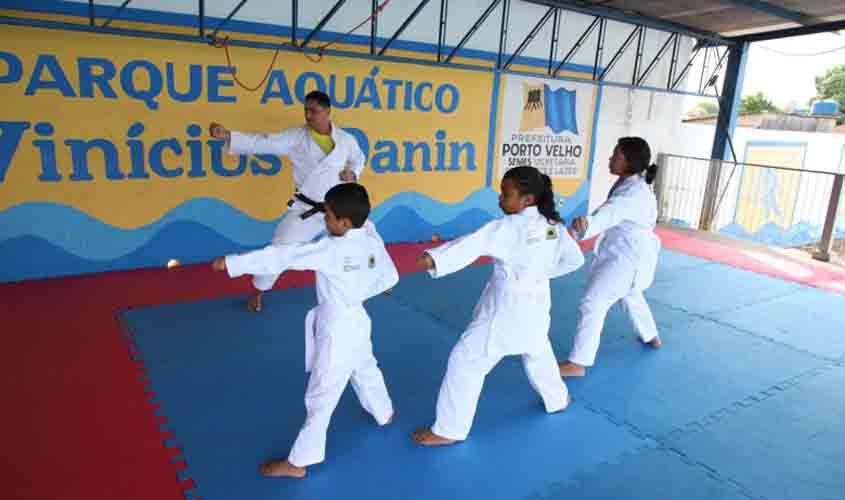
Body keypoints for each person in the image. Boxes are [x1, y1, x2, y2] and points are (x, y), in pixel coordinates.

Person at [212, 183, 396, 478]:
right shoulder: (371, 239)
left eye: (329, 216)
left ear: (345, 222)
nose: (325, 221)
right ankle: (383, 411)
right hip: (359, 319)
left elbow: (282, 256)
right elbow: (390, 275)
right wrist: (376, 285)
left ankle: (299, 462)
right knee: (364, 366)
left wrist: (234, 263)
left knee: (322, 393)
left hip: (337, 328)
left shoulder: (330, 249)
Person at [411, 166, 585, 446]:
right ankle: (557, 398)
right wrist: (539, 275)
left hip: (505, 312)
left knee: (465, 362)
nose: (500, 198)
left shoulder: (507, 228)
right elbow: (575, 260)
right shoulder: (552, 226)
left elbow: (470, 244)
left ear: (526, 200)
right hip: (537, 304)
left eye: (506, 194)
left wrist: (435, 259)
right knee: (537, 349)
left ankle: (449, 429)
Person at [209, 90, 366, 313]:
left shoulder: (346, 140)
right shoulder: (296, 137)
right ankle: (258, 291)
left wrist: (353, 172)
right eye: (306, 110)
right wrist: (228, 136)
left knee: (361, 240)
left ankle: (374, 280)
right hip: (308, 210)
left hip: (339, 209)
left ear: (328, 112)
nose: (308, 116)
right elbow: (262, 143)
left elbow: (358, 158)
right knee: (279, 250)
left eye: (314, 110)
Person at [558, 137, 663, 379]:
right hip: (627, 253)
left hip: (628, 258)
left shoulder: (633, 193)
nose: (610, 158)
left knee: (593, 301)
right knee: (630, 293)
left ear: (629, 161)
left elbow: (609, 213)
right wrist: (576, 231)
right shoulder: (629, 183)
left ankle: (578, 363)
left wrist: (583, 228)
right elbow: (609, 212)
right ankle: (651, 335)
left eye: (616, 155)